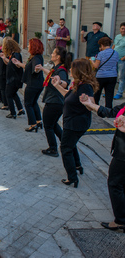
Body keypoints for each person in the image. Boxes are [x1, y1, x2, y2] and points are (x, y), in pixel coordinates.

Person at [79, 95, 125, 231]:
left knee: (115, 183)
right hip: (120, 151)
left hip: (123, 155)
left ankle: (121, 220)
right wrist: (90, 104)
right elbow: (110, 112)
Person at [51, 58, 99, 187]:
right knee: (70, 145)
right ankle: (77, 166)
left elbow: (92, 105)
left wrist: (87, 102)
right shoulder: (79, 84)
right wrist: (56, 86)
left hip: (75, 124)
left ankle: (72, 177)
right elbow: (68, 95)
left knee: (65, 149)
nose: (70, 70)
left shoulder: (85, 87)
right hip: (73, 122)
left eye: (72, 68)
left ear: (79, 71)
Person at [35, 47, 71, 157]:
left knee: (48, 125)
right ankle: (66, 144)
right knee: (53, 124)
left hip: (55, 101)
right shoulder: (57, 68)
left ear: (58, 56)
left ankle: (53, 148)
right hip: (55, 101)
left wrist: (60, 82)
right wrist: (42, 69)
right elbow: (52, 75)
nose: (51, 54)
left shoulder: (61, 70)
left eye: (53, 53)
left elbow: (64, 83)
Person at [12, 38, 44, 130]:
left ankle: (33, 124)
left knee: (28, 104)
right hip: (38, 84)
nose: (28, 46)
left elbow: (36, 68)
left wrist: (37, 69)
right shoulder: (37, 56)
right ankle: (39, 121)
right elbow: (28, 67)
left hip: (33, 84)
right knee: (34, 103)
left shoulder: (36, 58)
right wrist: (19, 63)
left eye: (30, 45)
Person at [91, 37, 119, 108]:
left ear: (102, 45)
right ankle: (108, 110)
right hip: (112, 75)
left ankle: (95, 106)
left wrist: (92, 61)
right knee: (109, 94)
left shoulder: (101, 53)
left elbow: (96, 66)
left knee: (97, 93)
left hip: (101, 76)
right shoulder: (115, 53)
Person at [1, 38, 24, 118]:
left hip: (13, 79)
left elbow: (17, 65)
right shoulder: (14, 54)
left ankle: (13, 112)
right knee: (13, 94)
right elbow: (11, 63)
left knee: (8, 94)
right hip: (14, 78)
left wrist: (17, 63)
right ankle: (20, 109)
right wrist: (4, 58)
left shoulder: (16, 55)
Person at [113, 22, 125, 99]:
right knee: (113, 76)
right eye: (122, 28)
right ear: (120, 29)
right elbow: (114, 45)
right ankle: (111, 91)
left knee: (121, 77)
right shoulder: (117, 36)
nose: (123, 30)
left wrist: (124, 57)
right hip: (114, 59)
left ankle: (120, 93)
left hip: (122, 60)